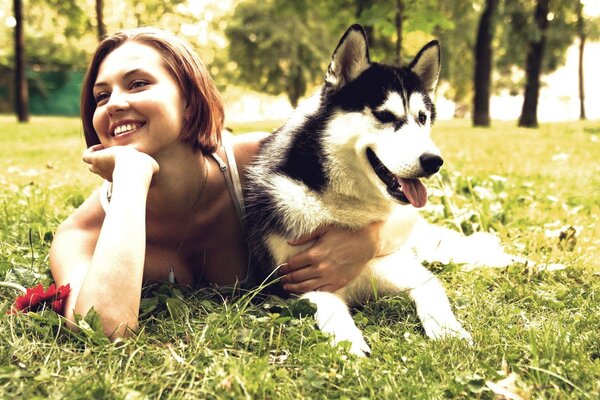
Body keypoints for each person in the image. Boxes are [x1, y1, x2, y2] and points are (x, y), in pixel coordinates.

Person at [50, 27, 407, 339]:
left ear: (189, 101)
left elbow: (405, 217)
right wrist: (131, 177)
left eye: (138, 83)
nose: (114, 104)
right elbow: (102, 329)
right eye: (101, 96)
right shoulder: (82, 233)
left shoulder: (257, 160)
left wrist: (368, 239)